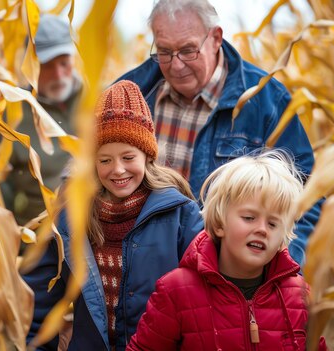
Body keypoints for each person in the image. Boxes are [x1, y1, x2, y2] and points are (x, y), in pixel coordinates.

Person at [117, 0, 321, 266]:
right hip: (142, 275)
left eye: (188, 50)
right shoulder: (131, 94)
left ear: (215, 39)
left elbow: (306, 200)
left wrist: (280, 273)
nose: (176, 65)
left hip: (228, 281)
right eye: (164, 51)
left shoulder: (266, 100)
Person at [23, 80, 204, 350]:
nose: (118, 170)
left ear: (147, 155)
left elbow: (202, 304)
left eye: (128, 157)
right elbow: (38, 307)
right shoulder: (71, 218)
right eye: (105, 160)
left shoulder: (180, 216)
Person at [127, 150, 328, 351]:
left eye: (273, 224)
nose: (261, 229)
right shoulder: (176, 292)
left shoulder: (299, 297)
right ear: (219, 224)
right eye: (249, 218)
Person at [1, 13, 82, 225]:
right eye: (47, 65)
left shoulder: (98, 101)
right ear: (30, 66)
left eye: (64, 63)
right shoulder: (13, 111)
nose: (58, 74)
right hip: (33, 236)